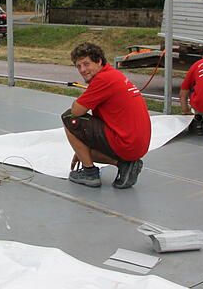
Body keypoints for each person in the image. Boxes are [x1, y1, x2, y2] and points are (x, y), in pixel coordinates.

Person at [62, 42, 151, 189]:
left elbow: (77, 112)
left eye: (86, 64)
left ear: (99, 61)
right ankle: (125, 164)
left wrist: (82, 152)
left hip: (126, 143)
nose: (82, 70)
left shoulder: (102, 79)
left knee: (69, 118)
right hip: (137, 144)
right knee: (85, 151)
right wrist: (81, 151)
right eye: (79, 66)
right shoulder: (113, 75)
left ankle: (90, 173)